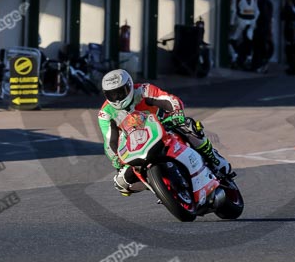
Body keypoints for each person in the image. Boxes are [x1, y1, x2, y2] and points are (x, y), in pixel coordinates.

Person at [98, 69, 231, 196]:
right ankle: (158, 187)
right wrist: (115, 158)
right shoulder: (105, 113)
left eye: (121, 92)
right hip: (135, 143)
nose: (117, 98)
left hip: (161, 125)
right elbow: (110, 141)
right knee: (120, 184)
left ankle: (215, 159)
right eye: (112, 94)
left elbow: (169, 99)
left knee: (188, 126)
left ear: (130, 85)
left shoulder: (143, 90)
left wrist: (176, 112)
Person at [229, 0, 259, 69]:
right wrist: (254, 21)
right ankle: (248, 59)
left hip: (240, 19)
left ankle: (235, 59)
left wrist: (231, 22)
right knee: (248, 40)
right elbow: (257, 11)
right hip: (251, 20)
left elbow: (233, 9)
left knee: (231, 39)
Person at [252, 0, 274, 73]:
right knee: (261, 47)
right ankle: (260, 65)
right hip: (264, 26)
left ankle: (260, 65)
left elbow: (264, 14)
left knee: (260, 47)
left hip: (262, 27)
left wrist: (260, 25)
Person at [280, 0, 295, 74]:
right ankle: (290, 65)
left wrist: (291, 6)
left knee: (294, 47)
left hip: (294, 27)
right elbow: (283, 16)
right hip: (288, 27)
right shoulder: (286, 4)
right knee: (289, 47)